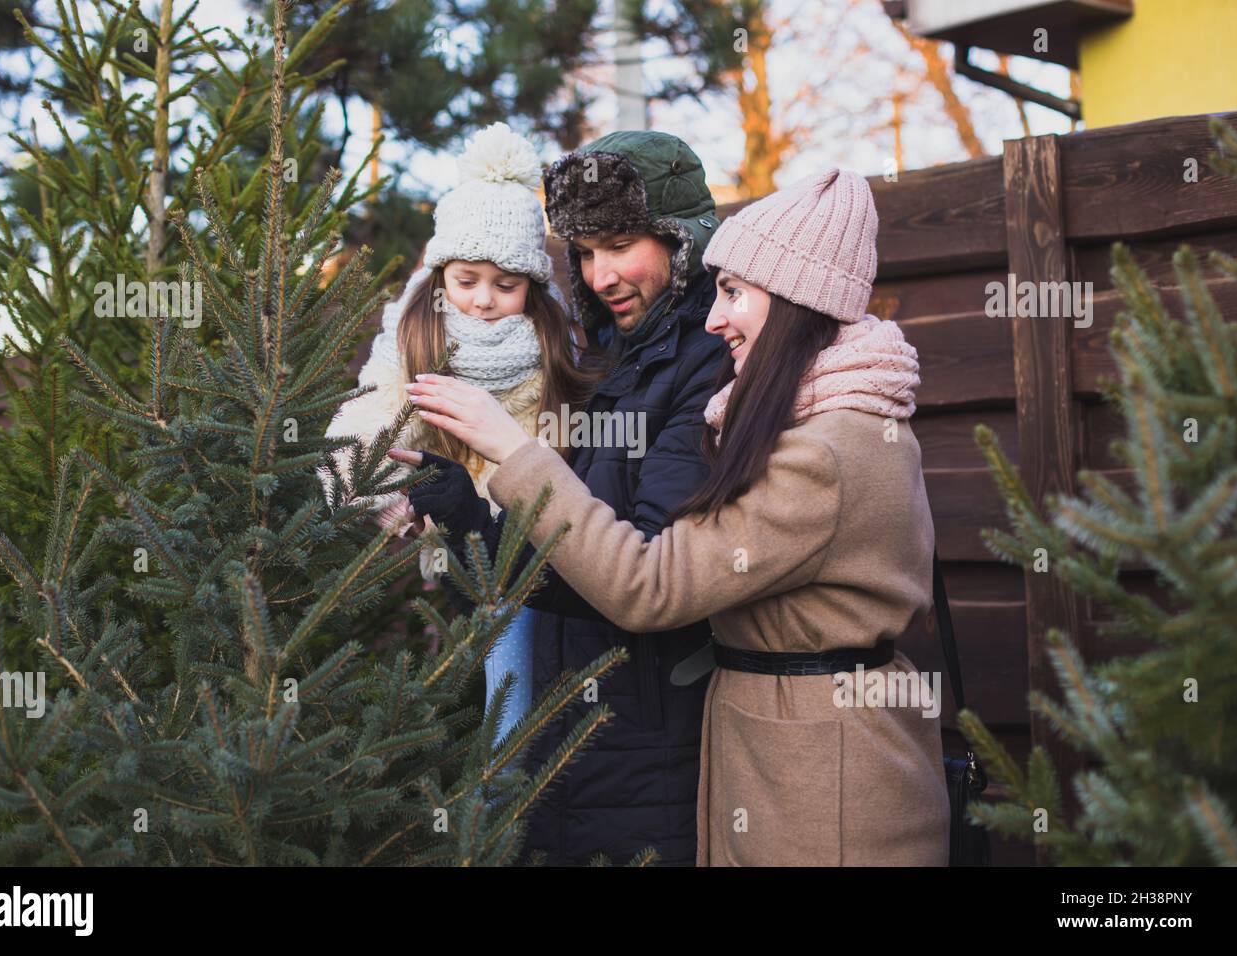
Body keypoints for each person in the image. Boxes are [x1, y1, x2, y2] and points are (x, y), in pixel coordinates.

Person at [396, 168, 951, 865]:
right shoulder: (782, 416)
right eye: (585, 254)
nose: (715, 320)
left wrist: (509, 450)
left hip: (822, 780)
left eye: (733, 294)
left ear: (796, 299)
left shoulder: (823, 451)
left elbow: (651, 585)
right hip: (771, 754)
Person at [395, 131, 729, 866]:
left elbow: (642, 573)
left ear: (681, 239)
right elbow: (548, 557)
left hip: (647, 746)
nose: (600, 273)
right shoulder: (602, 358)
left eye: (618, 244)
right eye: (582, 251)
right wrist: (455, 506)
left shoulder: (709, 366)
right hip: (560, 726)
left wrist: (510, 451)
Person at [319, 122, 596, 745]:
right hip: (436, 533)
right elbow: (372, 416)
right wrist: (376, 491)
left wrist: (502, 523)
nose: (483, 301)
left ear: (531, 284)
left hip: (518, 545)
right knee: (444, 672)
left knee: (513, 673)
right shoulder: (416, 333)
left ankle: (507, 786)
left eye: (506, 285)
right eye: (466, 281)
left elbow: (549, 451)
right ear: (442, 272)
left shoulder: (548, 343)